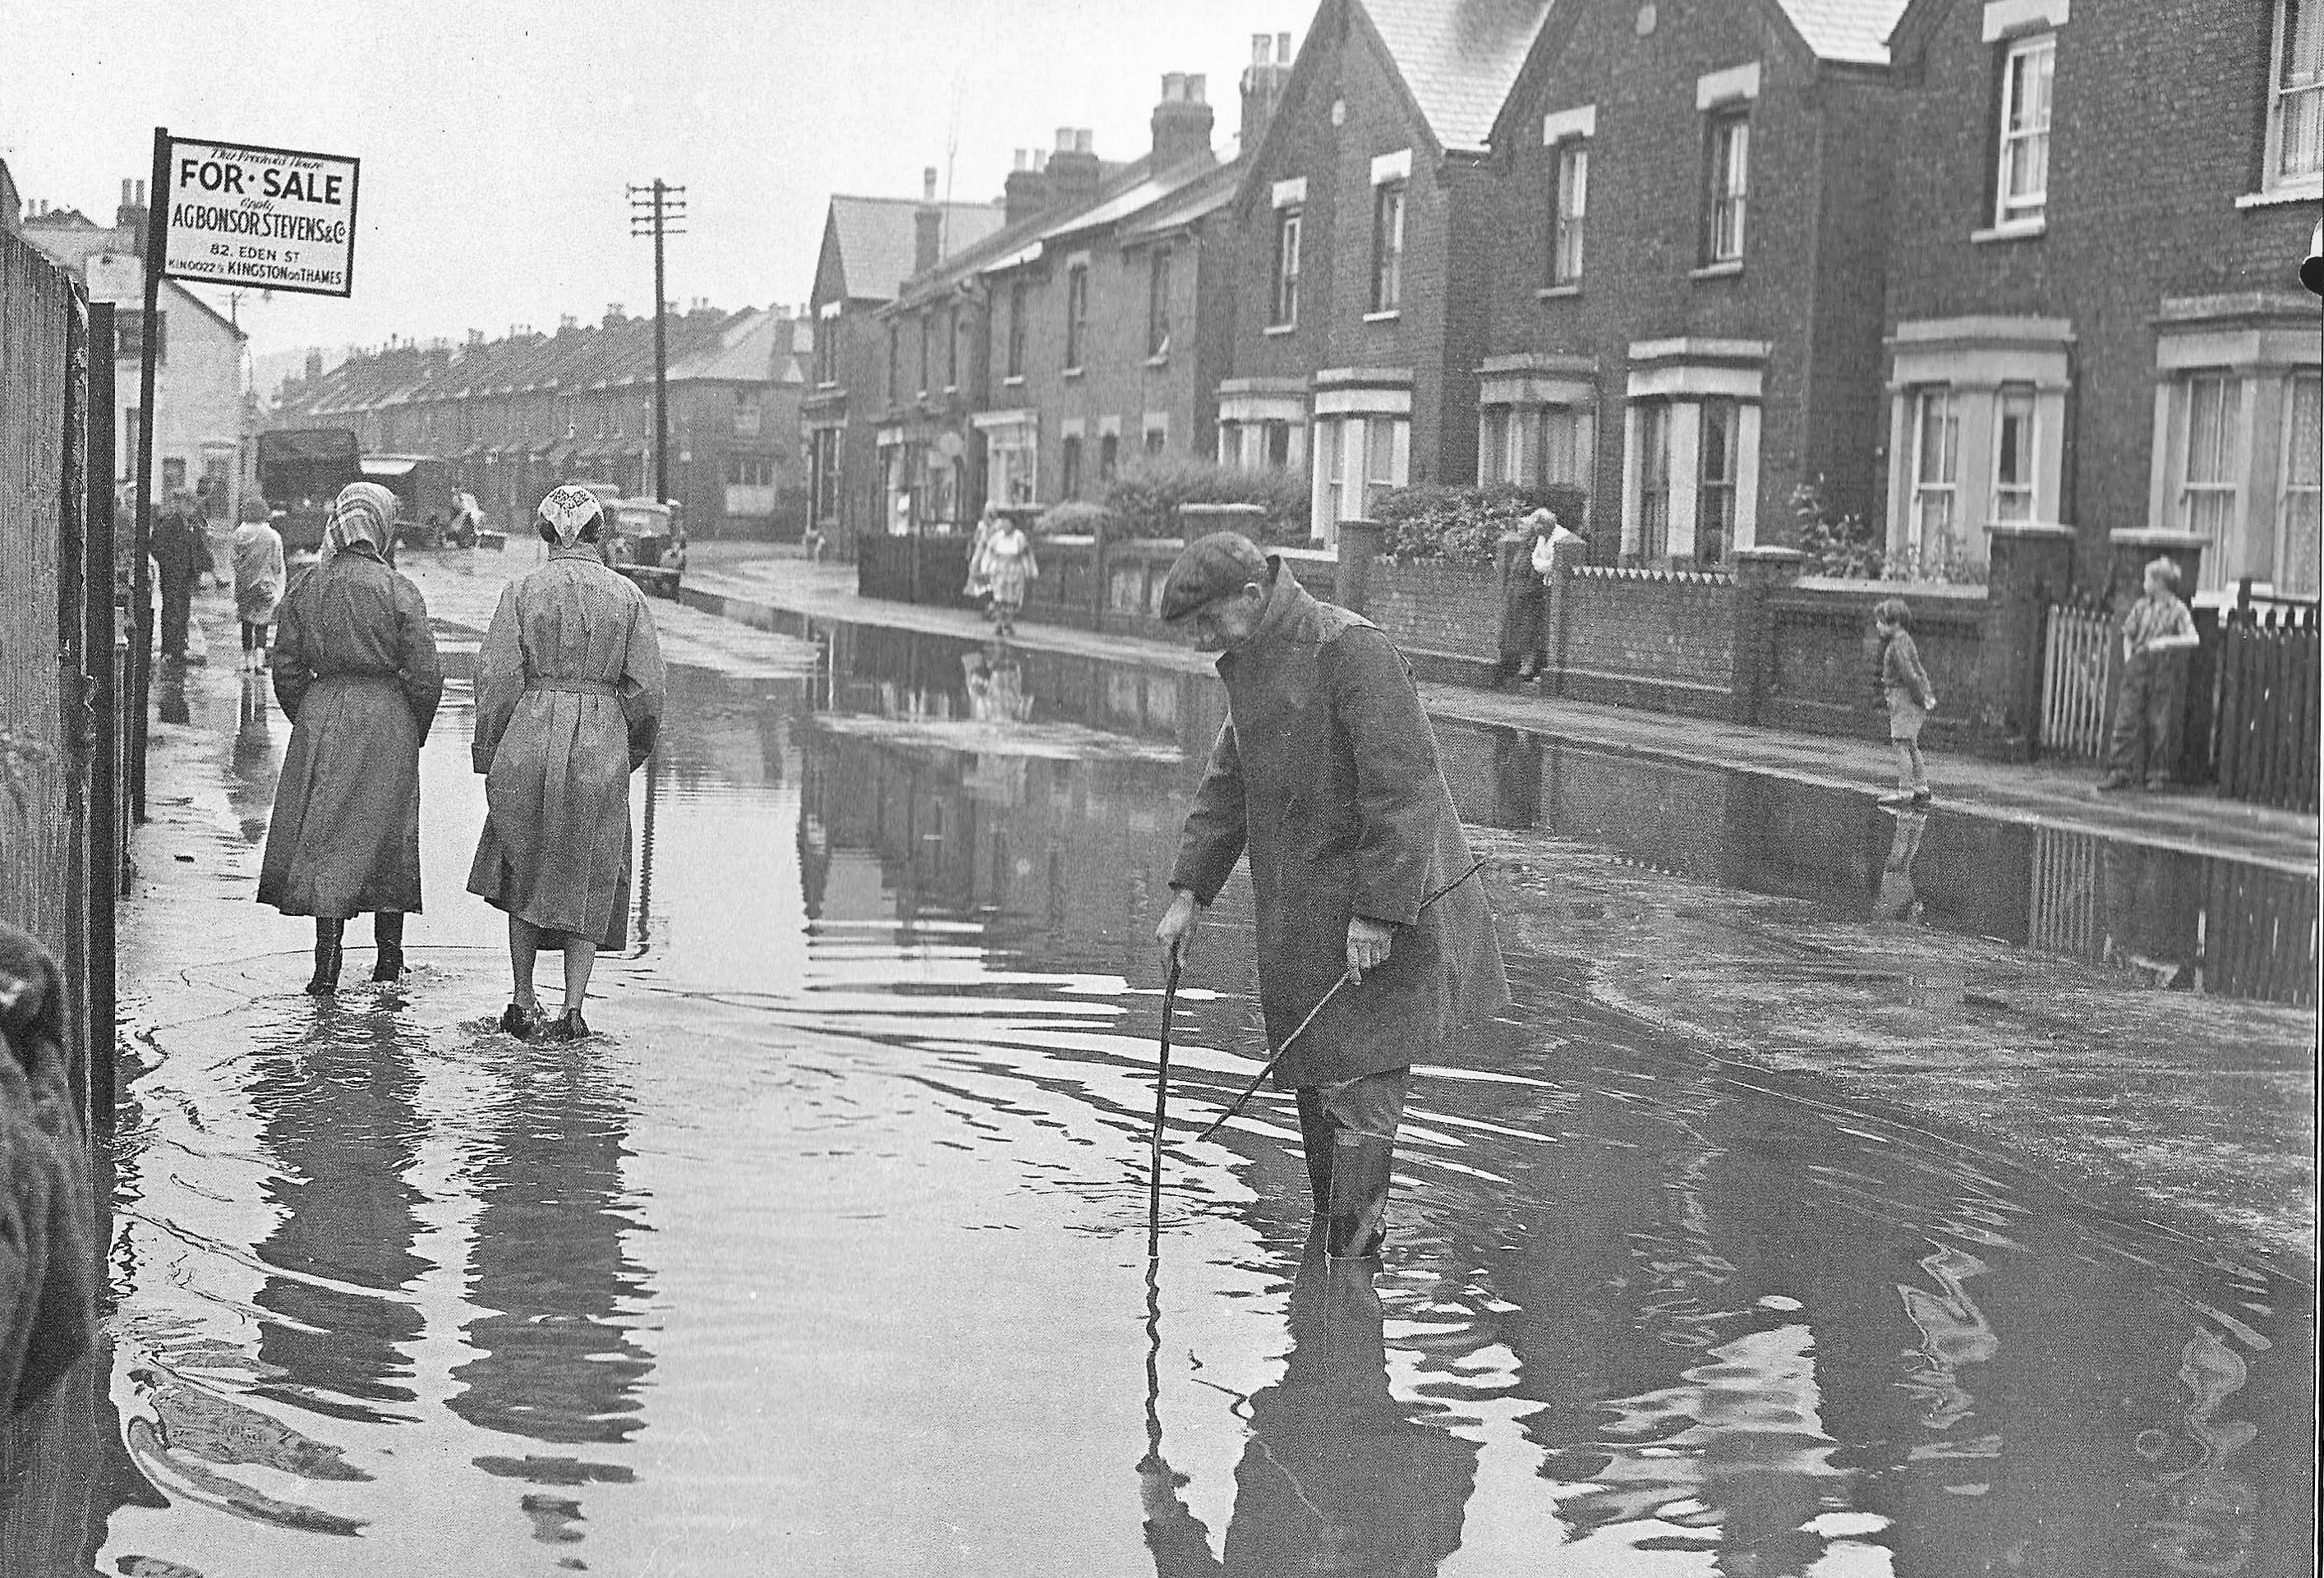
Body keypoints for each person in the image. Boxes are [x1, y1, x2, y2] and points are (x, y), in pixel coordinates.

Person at [1153, 531, 1507, 1260]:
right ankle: (1335, 1264)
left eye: (1206, 621)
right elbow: (1230, 782)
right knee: (1317, 1075)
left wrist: (1377, 913)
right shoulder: (1254, 662)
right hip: (1308, 912)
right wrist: (1190, 891)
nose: (1200, 641)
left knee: (1359, 1089)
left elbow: (1402, 785)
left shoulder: (1350, 649)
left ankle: (1348, 1275)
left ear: (1251, 599)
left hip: (1382, 913)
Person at [467, 484, 667, 1041]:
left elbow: (498, 679)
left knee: (524, 863)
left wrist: (491, 752)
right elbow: (648, 690)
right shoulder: (627, 597)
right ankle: (573, 1008)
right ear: (600, 533)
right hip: (602, 740)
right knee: (591, 870)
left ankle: (521, 996)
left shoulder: (521, 590)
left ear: (545, 534)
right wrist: (627, 749)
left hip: (528, 737)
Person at [258, 483, 444, 993]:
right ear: (383, 528)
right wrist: (412, 730)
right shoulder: (400, 591)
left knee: (327, 835)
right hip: (389, 721)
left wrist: (312, 718)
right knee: (389, 837)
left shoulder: (307, 586)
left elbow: (286, 668)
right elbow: (426, 675)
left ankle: (326, 965)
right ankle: (389, 961)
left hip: (325, 714)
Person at [2097, 557, 2197, 793]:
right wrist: (2128, 656)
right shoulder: (2142, 606)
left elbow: (2193, 638)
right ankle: (2120, 770)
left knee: (2159, 721)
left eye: (2147, 579)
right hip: (2139, 663)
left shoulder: (2177, 609)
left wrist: (2165, 643)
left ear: (2160, 582)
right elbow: (2128, 633)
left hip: (2162, 666)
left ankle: (2157, 774)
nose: (2144, 583)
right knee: (2126, 717)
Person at [1871, 596, 1938, 810]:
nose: (1878, 625)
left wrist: (1920, 697)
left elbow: (1909, 675)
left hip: (1903, 699)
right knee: (1911, 744)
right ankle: (1921, 789)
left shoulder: (1897, 646)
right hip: (1912, 700)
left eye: (1882, 621)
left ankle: (1905, 791)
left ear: (1896, 622)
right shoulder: (1906, 640)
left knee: (1900, 744)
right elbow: (1919, 670)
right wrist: (1926, 694)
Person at [150, 486, 214, 666]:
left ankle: (179, 648)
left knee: (183, 611)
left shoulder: (191, 523)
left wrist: (202, 569)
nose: (193, 509)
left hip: (187, 576)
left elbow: (198, 548)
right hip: (173, 575)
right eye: (190, 505)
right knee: (172, 611)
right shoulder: (170, 523)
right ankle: (170, 650)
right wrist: (171, 564)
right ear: (181, 505)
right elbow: (156, 547)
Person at [1493, 509, 1551, 685]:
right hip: (1516, 595)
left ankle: (1528, 666)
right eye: (1520, 528)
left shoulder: (1537, 547)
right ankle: (1518, 665)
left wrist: (1527, 590)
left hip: (1529, 597)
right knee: (1516, 632)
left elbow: (1536, 571)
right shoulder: (1521, 547)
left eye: (1524, 528)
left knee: (1529, 633)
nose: (1521, 531)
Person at [230, 501, 286, 672]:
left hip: (244, 585)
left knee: (247, 623)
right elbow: (277, 564)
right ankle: (259, 663)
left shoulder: (239, 533)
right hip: (265, 584)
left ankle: (247, 662)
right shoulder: (272, 536)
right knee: (262, 623)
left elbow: (234, 560)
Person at [979, 515, 1038, 638]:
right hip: (1000, 570)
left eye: (1007, 523)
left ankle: (1008, 624)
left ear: (1013, 524)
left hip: (1015, 570)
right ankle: (999, 624)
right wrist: (985, 567)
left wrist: (1031, 570)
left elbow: (1026, 555)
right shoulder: (996, 538)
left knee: (1011, 599)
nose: (1005, 525)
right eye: (1003, 523)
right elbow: (989, 553)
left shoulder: (1019, 538)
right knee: (999, 598)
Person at [963, 503, 1001, 603]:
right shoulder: (981, 526)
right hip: (980, 554)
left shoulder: (997, 526)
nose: (985, 517)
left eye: (987, 514)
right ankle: (983, 601)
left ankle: (992, 602)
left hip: (992, 555)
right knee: (978, 576)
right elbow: (975, 539)